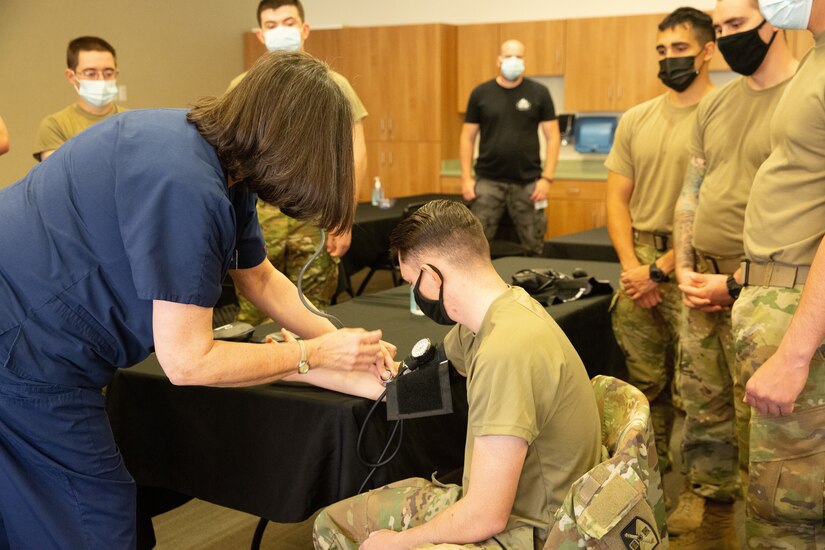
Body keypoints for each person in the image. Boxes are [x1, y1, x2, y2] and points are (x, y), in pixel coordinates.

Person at [0, 51, 391, 548]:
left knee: (30, 511)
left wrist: (345, 346)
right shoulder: (185, 184)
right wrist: (310, 355)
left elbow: (260, 279)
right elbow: (186, 361)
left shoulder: (218, 161)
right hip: (23, 348)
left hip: (32, 332)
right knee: (94, 521)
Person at [312, 200, 602, 549]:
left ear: (432, 278)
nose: (415, 296)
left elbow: (485, 516)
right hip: (528, 509)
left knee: (336, 530)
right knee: (334, 519)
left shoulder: (504, 352)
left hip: (533, 534)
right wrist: (300, 364)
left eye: (412, 283)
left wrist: (399, 543)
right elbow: (404, 391)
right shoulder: (500, 314)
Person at [668, 1, 798, 546]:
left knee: (762, 416)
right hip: (702, 280)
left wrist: (738, 282)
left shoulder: (804, 100)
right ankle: (708, 494)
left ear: (775, 21)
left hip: (769, 289)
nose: (725, 39)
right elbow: (691, 190)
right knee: (703, 400)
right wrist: (682, 266)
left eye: (736, 26)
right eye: (718, 30)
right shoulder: (716, 106)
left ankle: (758, 512)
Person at [727, 0, 825, 545]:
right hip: (778, 299)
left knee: (791, 515)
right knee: (775, 497)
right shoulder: (816, 55)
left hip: (800, 316)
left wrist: (793, 354)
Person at [605, 7, 716, 477]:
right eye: (662, 50)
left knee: (701, 388)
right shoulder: (636, 119)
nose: (669, 59)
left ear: (707, 52)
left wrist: (661, 268)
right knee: (644, 384)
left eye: (680, 49)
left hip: (698, 263)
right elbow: (615, 200)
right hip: (640, 264)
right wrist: (635, 267)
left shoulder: (722, 115)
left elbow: (717, 205)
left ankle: (709, 496)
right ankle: (649, 479)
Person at [230, 0, 368, 316]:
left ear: (305, 29)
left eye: (288, 22)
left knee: (312, 313)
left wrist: (344, 215)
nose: (281, 31)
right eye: (272, 25)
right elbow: (229, 159)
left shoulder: (334, 85)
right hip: (258, 220)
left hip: (315, 217)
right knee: (255, 313)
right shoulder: (243, 88)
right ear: (260, 35)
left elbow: (355, 151)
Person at [460, 39, 560, 257]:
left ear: (525, 60)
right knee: (476, 247)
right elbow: (467, 137)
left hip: (529, 183)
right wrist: (467, 178)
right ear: (499, 60)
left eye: (518, 56)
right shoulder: (481, 93)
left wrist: (547, 179)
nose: (513, 60)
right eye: (508, 56)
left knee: (535, 245)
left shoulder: (539, 93)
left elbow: (553, 136)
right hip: (487, 182)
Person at [33, 36, 126, 162]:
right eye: (90, 73)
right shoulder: (56, 126)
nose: (101, 80)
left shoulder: (131, 122)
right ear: (71, 76)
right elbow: (58, 177)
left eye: (108, 73)